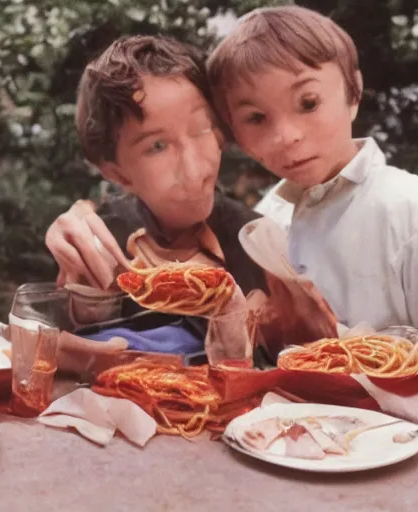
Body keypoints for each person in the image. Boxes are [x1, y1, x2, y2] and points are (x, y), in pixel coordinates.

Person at [205, 5, 418, 348]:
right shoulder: (265, 222)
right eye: (256, 118)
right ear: (234, 132)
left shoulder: (414, 209)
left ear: (353, 92)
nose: (287, 135)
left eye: (308, 103)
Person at [48, 35, 277, 357]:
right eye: (157, 147)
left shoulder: (260, 244)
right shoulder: (101, 240)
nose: (194, 168)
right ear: (117, 174)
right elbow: (55, 343)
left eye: (201, 128)